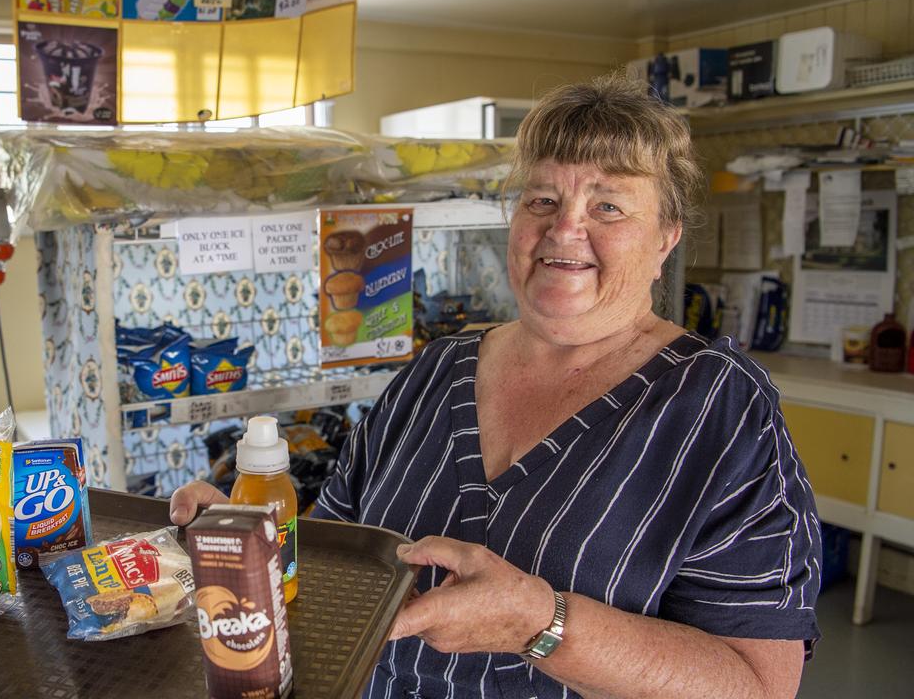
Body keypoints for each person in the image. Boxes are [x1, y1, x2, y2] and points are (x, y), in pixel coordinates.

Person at [171, 74, 821, 699]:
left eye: (608, 206)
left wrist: (542, 626)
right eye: (542, 200)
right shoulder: (435, 373)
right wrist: (245, 548)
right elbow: (341, 567)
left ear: (665, 239)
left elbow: (759, 683)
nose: (565, 229)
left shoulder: (720, 409)